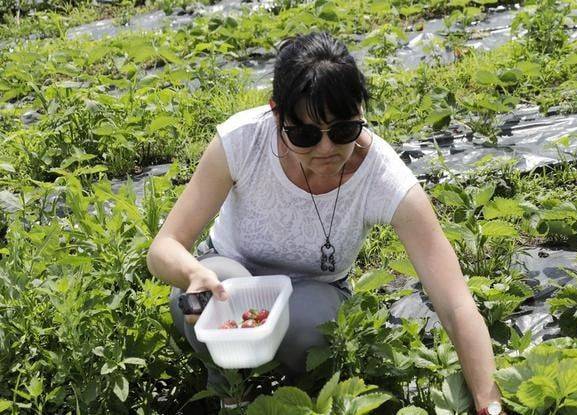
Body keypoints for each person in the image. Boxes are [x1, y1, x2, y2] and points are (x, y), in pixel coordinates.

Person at [146, 31, 503, 413]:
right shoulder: (242, 142)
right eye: (305, 134)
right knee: (197, 299)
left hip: (314, 293)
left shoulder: (383, 178)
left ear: (361, 115)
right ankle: (230, 390)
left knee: (312, 326)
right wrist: (193, 274)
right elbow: (163, 247)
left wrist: (489, 403)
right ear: (277, 114)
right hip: (231, 276)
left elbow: (454, 303)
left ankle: (303, 394)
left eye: (344, 130)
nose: (327, 150)